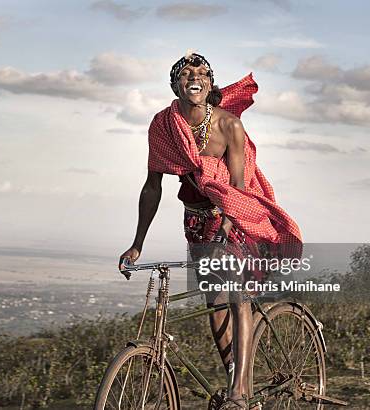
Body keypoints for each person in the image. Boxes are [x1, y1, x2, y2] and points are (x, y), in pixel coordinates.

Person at [118, 52, 302, 409]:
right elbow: (152, 186)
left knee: (237, 297)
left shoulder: (229, 125)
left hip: (231, 217)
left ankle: (239, 394)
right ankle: (235, 370)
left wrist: (230, 222)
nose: (194, 77)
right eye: (186, 73)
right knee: (214, 302)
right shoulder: (163, 125)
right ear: (175, 85)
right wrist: (136, 244)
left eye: (201, 73)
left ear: (210, 84)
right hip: (195, 222)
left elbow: (239, 186)